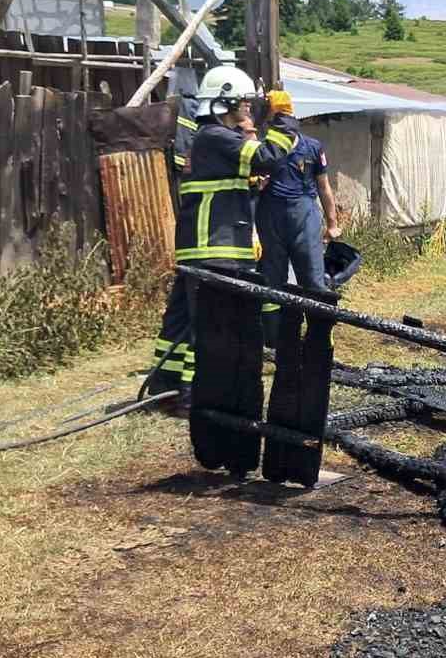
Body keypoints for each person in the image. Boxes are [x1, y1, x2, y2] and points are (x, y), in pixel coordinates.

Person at [145, 66, 298, 404]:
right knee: (210, 325)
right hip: (213, 247)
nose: (248, 108)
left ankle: (163, 385)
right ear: (223, 101)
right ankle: (191, 394)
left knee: (181, 321)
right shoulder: (215, 136)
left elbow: (245, 172)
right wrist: (285, 118)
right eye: (243, 103)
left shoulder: (211, 140)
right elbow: (267, 157)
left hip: (201, 246)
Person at [256, 89, 341, 339]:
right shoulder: (262, 151)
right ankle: (273, 339)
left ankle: (320, 337)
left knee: (313, 279)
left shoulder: (312, 147)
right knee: (272, 279)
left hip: (305, 218)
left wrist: (332, 223)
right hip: (271, 219)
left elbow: (324, 187)